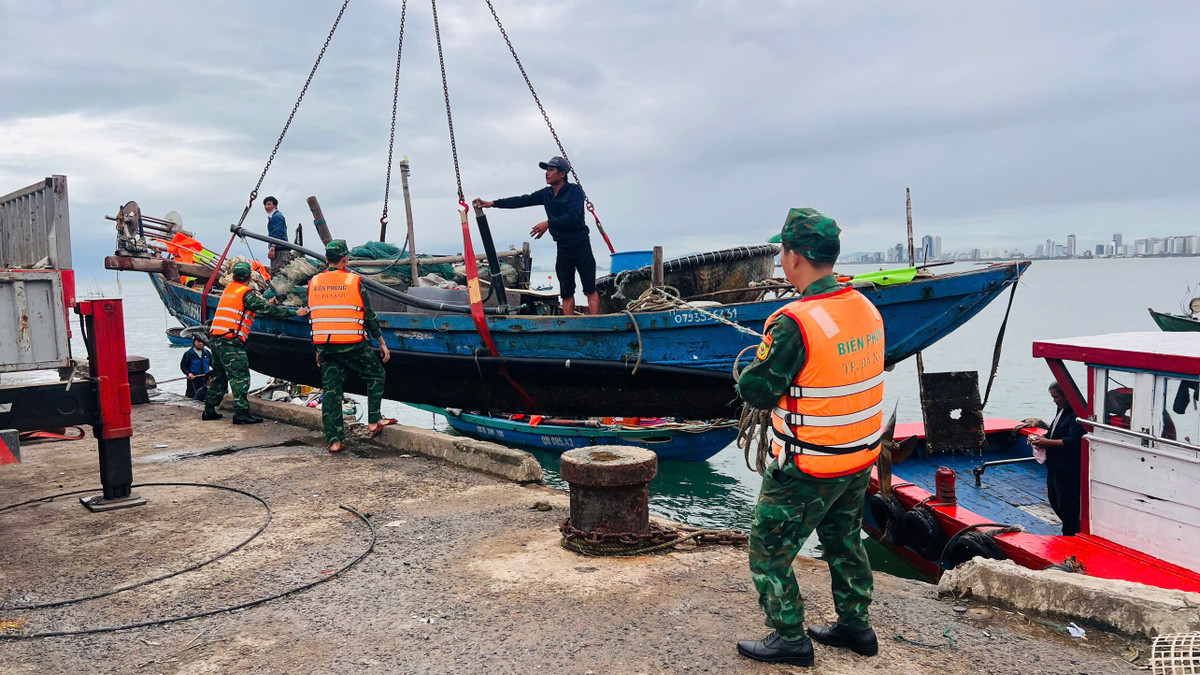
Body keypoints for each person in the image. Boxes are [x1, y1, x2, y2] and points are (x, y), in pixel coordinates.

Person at [734, 208, 885, 667]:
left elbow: (758, 390)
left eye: (782, 251)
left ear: (794, 256)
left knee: (768, 549)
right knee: (844, 541)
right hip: (858, 458)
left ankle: (789, 637)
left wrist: (744, 370)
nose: (782, 259)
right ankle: (857, 628)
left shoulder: (793, 322)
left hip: (808, 465)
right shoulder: (865, 306)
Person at [476, 156, 599, 315]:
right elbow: (522, 200)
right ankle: (570, 326)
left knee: (589, 288)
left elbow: (574, 216)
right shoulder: (546, 194)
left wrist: (549, 223)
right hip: (562, 247)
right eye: (546, 170)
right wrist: (493, 203)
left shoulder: (575, 191)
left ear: (562, 174)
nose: (547, 173)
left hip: (580, 244)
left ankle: (596, 323)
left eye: (551, 169)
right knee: (566, 291)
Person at [306, 239, 396, 453]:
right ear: (345, 259)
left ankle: (335, 441)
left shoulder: (314, 282)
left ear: (327, 259)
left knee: (331, 392)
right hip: (352, 345)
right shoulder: (353, 281)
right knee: (376, 375)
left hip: (327, 347)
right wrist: (382, 342)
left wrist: (318, 350)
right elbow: (369, 316)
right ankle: (374, 421)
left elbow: (316, 314)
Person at [203, 261, 307, 424]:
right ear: (250, 277)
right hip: (230, 341)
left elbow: (246, 309)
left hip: (215, 338)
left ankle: (209, 410)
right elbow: (268, 311)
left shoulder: (229, 290)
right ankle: (241, 414)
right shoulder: (246, 294)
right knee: (240, 377)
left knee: (220, 376)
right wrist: (296, 312)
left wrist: (266, 304)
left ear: (234, 276)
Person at [1029, 382, 1084, 535]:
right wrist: (1043, 438)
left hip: (1068, 467)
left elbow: (1074, 441)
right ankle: (1068, 528)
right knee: (1055, 499)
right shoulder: (1062, 411)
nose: (1055, 401)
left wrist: (1047, 442)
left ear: (1068, 396)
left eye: (1057, 397)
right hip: (1054, 465)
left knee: (1068, 503)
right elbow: (1055, 432)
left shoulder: (1077, 415)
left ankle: (1071, 533)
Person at [263, 196, 293, 275]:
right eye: (265, 205)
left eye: (269, 204)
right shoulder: (274, 217)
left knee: (278, 275)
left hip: (280, 252)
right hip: (281, 251)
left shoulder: (276, 217)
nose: (266, 207)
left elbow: (278, 233)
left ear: (275, 206)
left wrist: (272, 248)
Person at [179, 337, 213, 401]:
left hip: (205, 379)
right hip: (193, 379)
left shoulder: (207, 353)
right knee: (192, 397)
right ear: (194, 342)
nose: (200, 343)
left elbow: (213, 364)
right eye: (198, 341)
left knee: (204, 396)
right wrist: (188, 373)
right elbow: (183, 366)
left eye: (202, 342)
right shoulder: (188, 354)